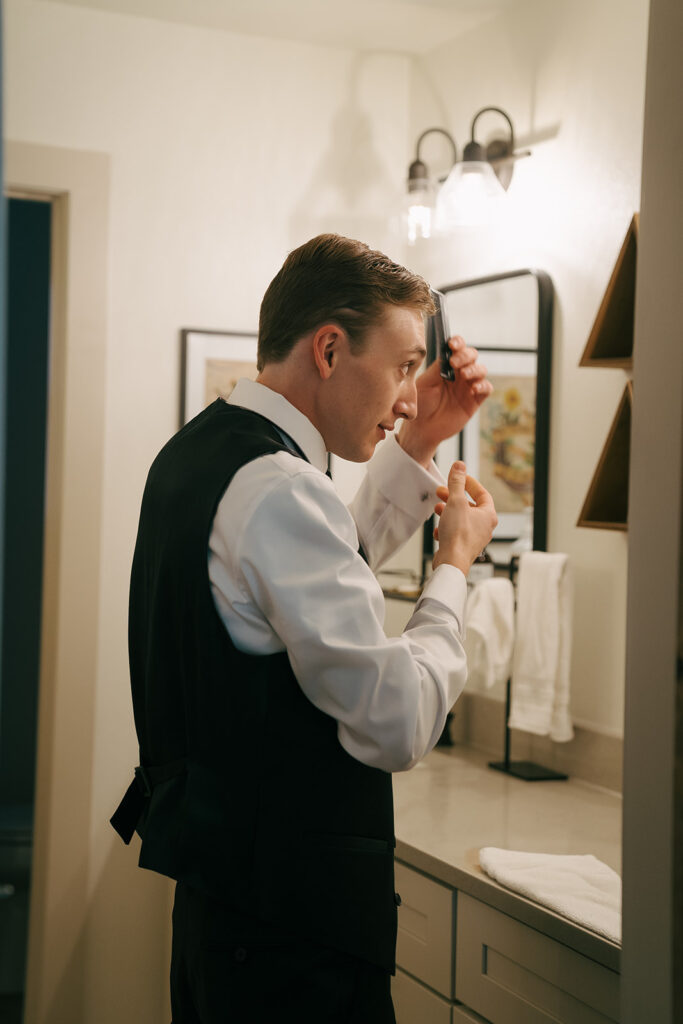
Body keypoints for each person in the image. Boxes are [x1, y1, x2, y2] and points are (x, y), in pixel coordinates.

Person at [111, 233, 497, 1024]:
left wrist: (419, 438)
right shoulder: (282, 487)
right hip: (290, 945)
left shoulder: (200, 455)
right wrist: (452, 567)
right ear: (328, 349)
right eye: (400, 367)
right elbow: (396, 722)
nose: (406, 393)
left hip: (229, 918)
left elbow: (312, 580)